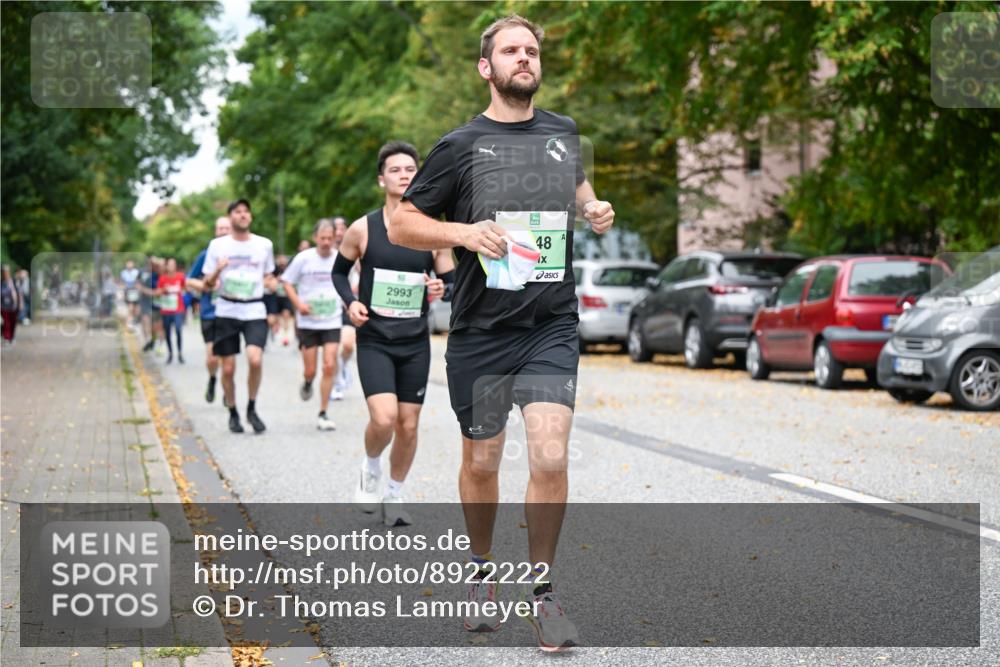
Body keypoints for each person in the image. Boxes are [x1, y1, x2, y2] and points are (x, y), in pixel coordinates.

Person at [388, 15, 615, 651]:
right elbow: (404, 222)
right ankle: (482, 572)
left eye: (532, 50)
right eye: (511, 50)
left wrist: (592, 207)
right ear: (486, 67)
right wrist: (462, 234)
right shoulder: (459, 146)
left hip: (549, 322)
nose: (525, 58)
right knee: (482, 459)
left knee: (548, 454)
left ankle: (543, 595)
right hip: (481, 329)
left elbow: (574, 187)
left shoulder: (563, 133)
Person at [333, 141, 454, 527]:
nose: (404, 175)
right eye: (396, 170)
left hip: (414, 340)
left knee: (409, 424)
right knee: (384, 420)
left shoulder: (431, 228)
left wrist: (441, 289)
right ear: (381, 178)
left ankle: (396, 494)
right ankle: (370, 467)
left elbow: (449, 279)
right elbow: (338, 272)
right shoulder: (362, 228)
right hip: (375, 338)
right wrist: (350, 303)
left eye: (410, 170)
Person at [202, 199, 276, 434]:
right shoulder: (217, 246)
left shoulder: (264, 245)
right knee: (228, 369)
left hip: (254, 309)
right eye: (238, 212)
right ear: (230, 216)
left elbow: (268, 276)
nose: (243, 215)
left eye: (246, 212)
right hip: (226, 309)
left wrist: (271, 284)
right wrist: (217, 270)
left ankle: (251, 408)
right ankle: (233, 411)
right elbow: (207, 283)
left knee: (255, 359)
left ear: (250, 217)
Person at [282, 219, 343, 431]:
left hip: (332, 320)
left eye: (330, 238)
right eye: (322, 238)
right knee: (311, 370)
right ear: (315, 238)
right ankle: (308, 382)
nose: (326, 242)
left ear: (335, 237)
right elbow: (286, 281)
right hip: (308, 322)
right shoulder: (303, 259)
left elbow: (349, 281)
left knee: (329, 365)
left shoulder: (340, 258)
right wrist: (298, 303)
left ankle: (323, 412)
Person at [187, 216, 231, 402]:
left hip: (231, 312)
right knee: (213, 357)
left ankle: (226, 386)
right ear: (215, 231)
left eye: (226, 228)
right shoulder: (206, 255)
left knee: (228, 359)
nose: (222, 232)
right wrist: (206, 286)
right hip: (209, 312)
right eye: (219, 228)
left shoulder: (239, 254)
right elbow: (189, 280)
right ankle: (213, 379)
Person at [331, 215, 357, 400]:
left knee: (347, 345)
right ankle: (335, 381)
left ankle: (343, 366)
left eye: (343, 227)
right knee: (331, 349)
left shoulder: (356, 249)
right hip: (328, 307)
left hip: (348, 305)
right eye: (336, 228)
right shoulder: (324, 251)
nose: (339, 231)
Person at [156, 258, 186, 364]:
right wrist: (165, 290)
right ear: (167, 266)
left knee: (178, 330)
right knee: (167, 332)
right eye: (170, 265)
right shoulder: (162, 278)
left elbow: (185, 288)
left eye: (173, 264)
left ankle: (180, 353)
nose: (171, 267)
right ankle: (170, 354)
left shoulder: (180, 277)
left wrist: (180, 290)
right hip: (166, 309)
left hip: (178, 308)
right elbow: (157, 292)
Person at [1, 266, 22, 346]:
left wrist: (20, 304)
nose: (4, 274)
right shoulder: (1, 283)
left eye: (6, 272)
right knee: (6, 323)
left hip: (13, 306)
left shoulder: (13, 281)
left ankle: (12, 337)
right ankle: (7, 338)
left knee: (13, 323)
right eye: (3, 272)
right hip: (3, 307)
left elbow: (19, 293)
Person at [120, 260, 141, 327]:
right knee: (130, 307)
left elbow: (139, 282)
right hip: (128, 290)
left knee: (136, 308)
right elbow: (122, 283)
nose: (129, 265)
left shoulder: (136, 272)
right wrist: (122, 293)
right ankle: (130, 321)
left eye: (130, 264)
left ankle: (135, 319)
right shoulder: (123, 273)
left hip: (135, 291)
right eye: (128, 264)